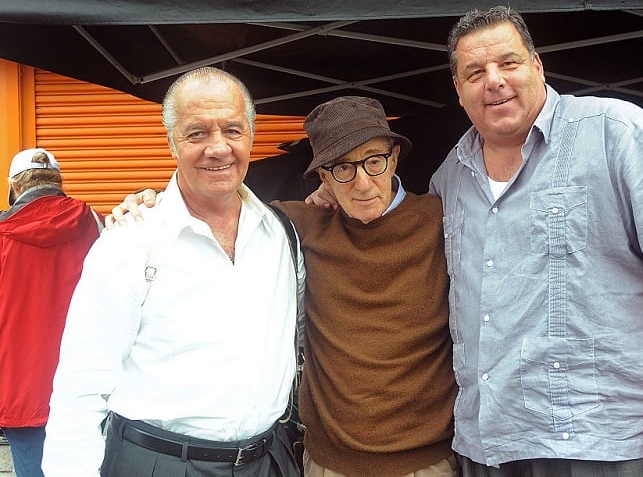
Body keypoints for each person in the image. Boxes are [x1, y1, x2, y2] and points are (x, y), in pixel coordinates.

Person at [429, 6, 643, 477]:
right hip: (491, 443)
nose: (493, 80)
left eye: (508, 63)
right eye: (475, 71)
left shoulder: (614, 130)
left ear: (537, 65)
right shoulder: (449, 178)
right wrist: (335, 195)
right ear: (458, 89)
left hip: (611, 445)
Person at [108, 95, 458, 477]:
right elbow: (214, 209)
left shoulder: (442, 221)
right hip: (327, 463)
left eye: (374, 162)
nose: (362, 183)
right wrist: (151, 203)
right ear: (323, 175)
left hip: (427, 462)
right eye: (342, 168)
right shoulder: (295, 227)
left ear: (394, 157)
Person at [41, 66, 305, 477]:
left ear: (250, 136)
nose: (218, 148)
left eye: (233, 130)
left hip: (269, 460)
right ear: (171, 142)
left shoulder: (282, 233)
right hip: (162, 463)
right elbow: (81, 386)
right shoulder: (128, 243)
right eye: (197, 133)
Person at [0, 148, 102, 477]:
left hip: (20, 385)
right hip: (88, 381)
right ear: (58, 181)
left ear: (14, 186)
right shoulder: (97, 224)